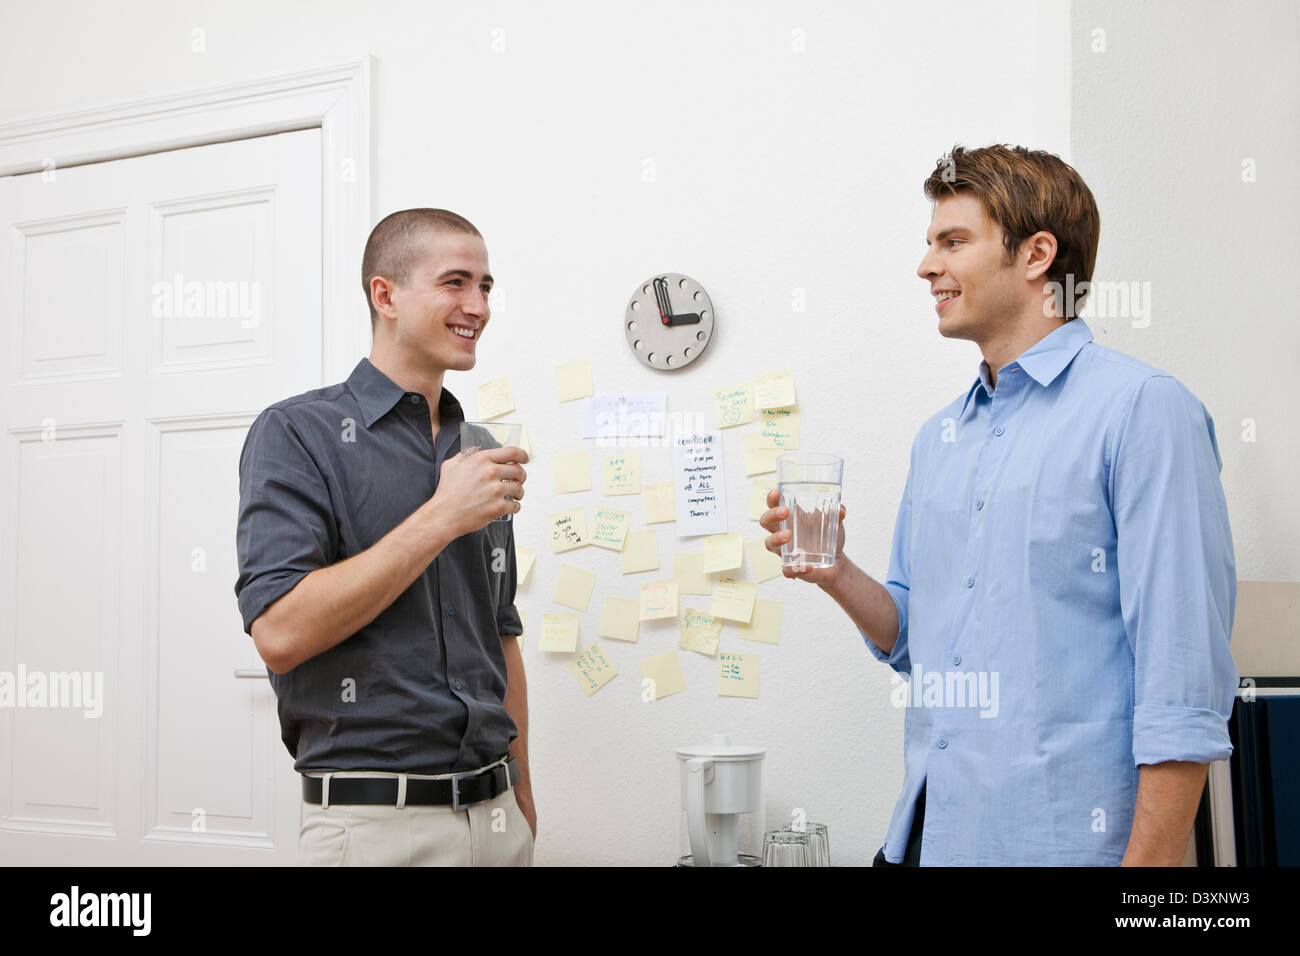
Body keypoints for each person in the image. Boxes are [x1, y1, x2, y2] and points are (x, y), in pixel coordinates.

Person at [762, 145, 1238, 866]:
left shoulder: (1144, 412)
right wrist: (835, 570)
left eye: (953, 241)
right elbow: (915, 643)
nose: (927, 267)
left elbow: (1183, 688)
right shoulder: (940, 438)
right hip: (925, 839)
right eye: (930, 244)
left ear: (1037, 255)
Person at [234, 208, 535, 866]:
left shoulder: (479, 450)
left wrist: (524, 803)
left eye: (486, 286)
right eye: (456, 282)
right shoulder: (297, 434)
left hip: (498, 818)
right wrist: (442, 515)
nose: (478, 305)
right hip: (376, 829)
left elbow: (500, 636)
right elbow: (280, 634)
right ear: (385, 294)